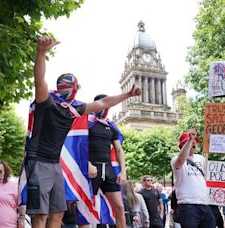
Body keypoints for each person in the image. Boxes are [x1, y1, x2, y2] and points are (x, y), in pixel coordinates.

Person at [25, 36, 141, 228]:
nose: (72, 90)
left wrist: (128, 95)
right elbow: (39, 79)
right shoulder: (46, 101)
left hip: (54, 163)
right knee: (41, 214)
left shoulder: (74, 109)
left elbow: (104, 103)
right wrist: (41, 53)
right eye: (69, 85)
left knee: (58, 212)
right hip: (39, 160)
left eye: (74, 86)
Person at [88, 94, 127, 228]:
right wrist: (88, 164)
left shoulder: (111, 126)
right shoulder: (87, 123)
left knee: (120, 206)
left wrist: (123, 171)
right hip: (91, 169)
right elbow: (78, 145)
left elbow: (119, 150)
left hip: (109, 170)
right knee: (85, 208)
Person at [171, 128, 215, 228]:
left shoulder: (201, 158)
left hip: (205, 204)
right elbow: (180, 160)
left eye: (195, 141)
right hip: (188, 205)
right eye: (189, 141)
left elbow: (217, 173)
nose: (193, 142)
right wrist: (190, 140)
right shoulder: (175, 160)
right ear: (182, 145)